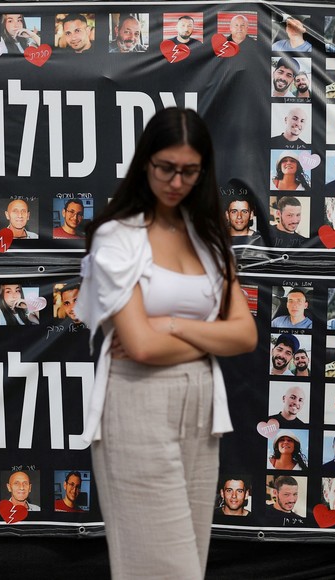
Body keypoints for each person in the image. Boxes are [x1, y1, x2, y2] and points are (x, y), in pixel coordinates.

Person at [75, 108, 256, 579]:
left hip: (201, 406)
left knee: (188, 566)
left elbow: (246, 334)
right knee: (160, 568)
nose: (176, 181)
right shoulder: (118, 238)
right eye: (166, 168)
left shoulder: (210, 238)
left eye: (189, 171)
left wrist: (173, 324)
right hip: (137, 400)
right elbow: (141, 347)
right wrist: (210, 337)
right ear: (146, 163)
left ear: (203, 170)